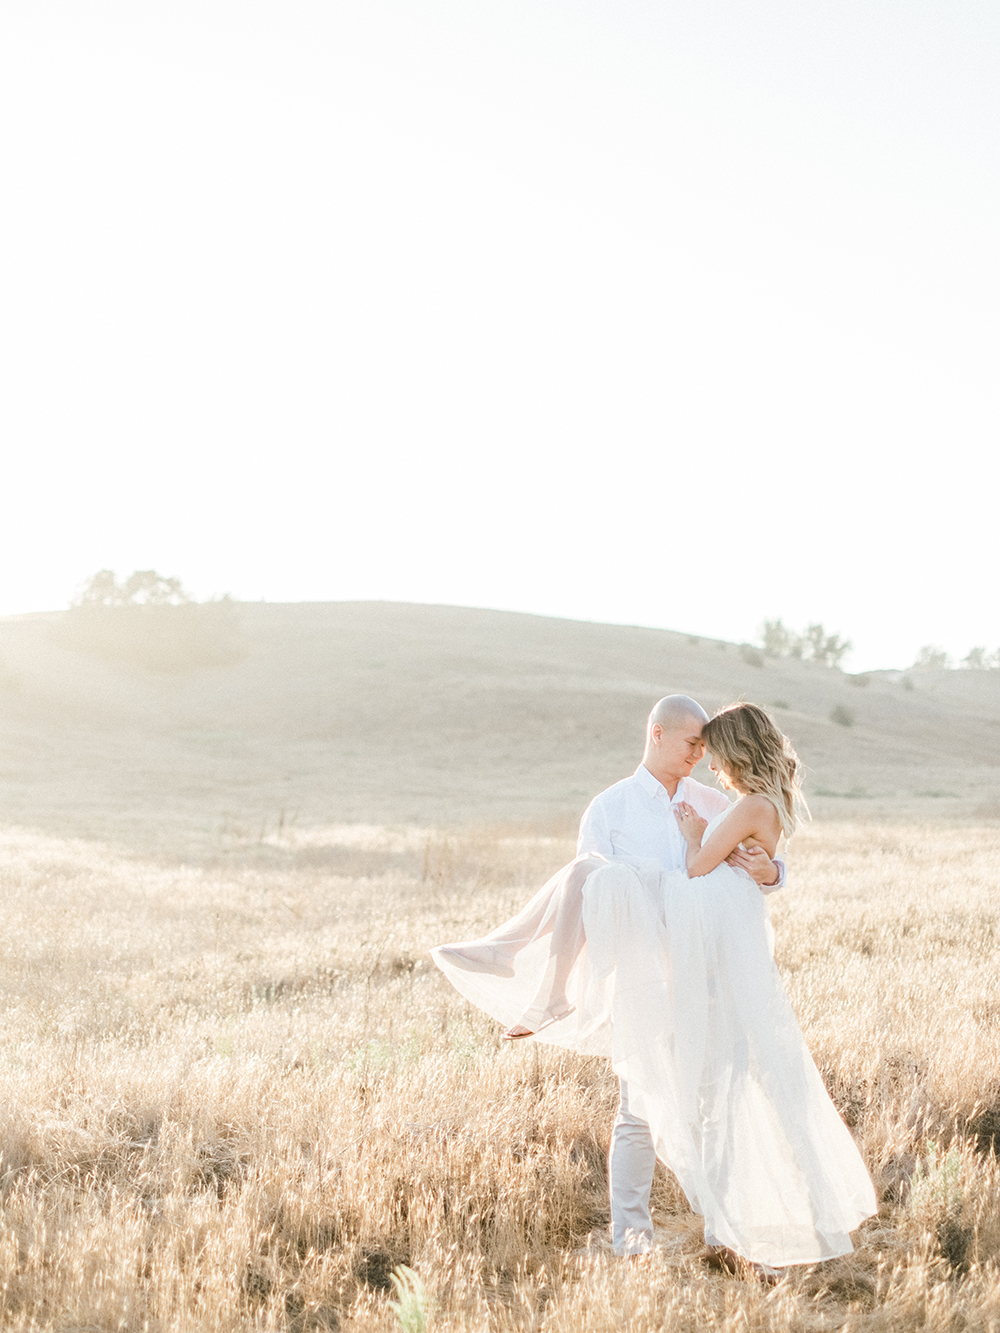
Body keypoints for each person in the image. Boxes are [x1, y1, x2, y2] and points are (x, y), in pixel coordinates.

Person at [432, 699, 876, 1272]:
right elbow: (591, 904)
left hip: (712, 975)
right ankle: (631, 1237)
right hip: (646, 979)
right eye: (692, 743)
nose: (701, 755)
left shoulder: (715, 801)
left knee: (720, 1101)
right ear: (657, 733)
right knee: (637, 1106)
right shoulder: (610, 807)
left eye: (707, 746)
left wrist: (774, 871)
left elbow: (757, 859)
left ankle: (727, 1229)